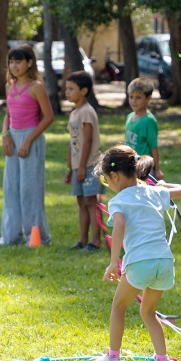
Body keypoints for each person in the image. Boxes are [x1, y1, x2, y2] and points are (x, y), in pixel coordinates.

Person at [95, 145, 181, 361]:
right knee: (147, 311)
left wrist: (113, 262)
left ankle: (113, 357)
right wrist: (161, 185)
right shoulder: (154, 192)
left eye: (107, 180)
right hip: (164, 263)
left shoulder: (118, 201)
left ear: (115, 176)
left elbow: (118, 225)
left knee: (119, 306)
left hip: (140, 262)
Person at [0, 44, 54, 246]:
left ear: (29, 62)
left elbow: (48, 117)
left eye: (18, 61)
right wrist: (5, 135)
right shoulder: (9, 87)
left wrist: (29, 139)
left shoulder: (36, 87)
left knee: (30, 190)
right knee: (11, 188)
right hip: (12, 140)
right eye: (11, 62)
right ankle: (11, 235)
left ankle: (37, 236)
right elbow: (8, 115)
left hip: (31, 140)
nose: (14, 66)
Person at [64, 71, 104, 252]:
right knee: (81, 202)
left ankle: (95, 241)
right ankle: (82, 240)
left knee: (91, 202)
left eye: (71, 89)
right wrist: (69, 167)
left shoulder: (87, 112)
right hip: (77, 166)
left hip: (90, 165)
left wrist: (81, 167)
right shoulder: (74, 113)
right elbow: (73, 141)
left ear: (84, 91)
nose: (67, 92)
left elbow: (87, 141)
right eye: (66, 88)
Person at [124, 78, 163, 179]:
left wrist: (157, 169)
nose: (133, 101)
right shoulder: (129, 117)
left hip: (144, 168)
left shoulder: (149, 121)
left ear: (148, 98)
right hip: (130, 165)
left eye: (138, 97)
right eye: (131, 97)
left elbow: (154, 147)